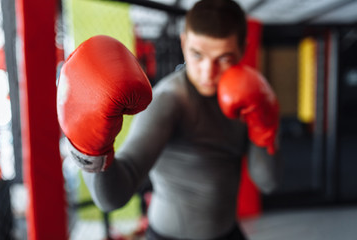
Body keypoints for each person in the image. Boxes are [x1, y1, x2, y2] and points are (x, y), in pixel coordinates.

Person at [56, 0, 281, 239]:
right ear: (184, 43)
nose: (208, 72)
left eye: (223, 58)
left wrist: (264, 125)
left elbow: (268, 182)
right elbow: (113, 197)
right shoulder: (169, 101)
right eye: (197, 55)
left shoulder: (253, 97)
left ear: (243, 49)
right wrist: (89, 150)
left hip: (228, 233)